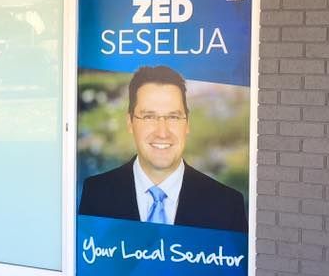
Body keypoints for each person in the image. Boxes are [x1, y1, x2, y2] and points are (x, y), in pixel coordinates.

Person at [78, 65, 246, 233]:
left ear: (187, 123)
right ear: (130, 123)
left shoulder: (227, 205)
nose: (162, 132)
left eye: (173, 117)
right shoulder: (96, 193)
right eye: (149, 117)